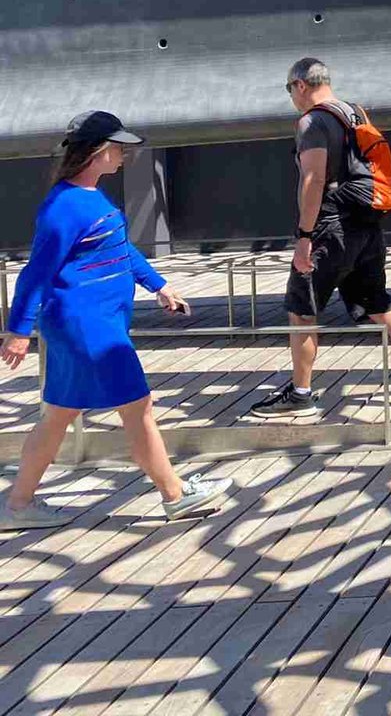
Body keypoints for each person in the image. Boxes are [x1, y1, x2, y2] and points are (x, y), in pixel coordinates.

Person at [0, 112, 235, 529]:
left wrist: (159, 286)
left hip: (90, 324)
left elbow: (120, 247)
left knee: (57, 416)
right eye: (119, 147)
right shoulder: (64, 207)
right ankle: (175, 496)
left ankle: (18, 506)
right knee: (138, 407)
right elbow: (35, 274)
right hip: (89, 329)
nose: (125, 155)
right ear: (99, 151)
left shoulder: (88, 197)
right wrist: (18, 331)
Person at [249, 57, 391, 418]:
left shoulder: (312, 121)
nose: (291, 97)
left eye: (289, 89)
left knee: (302, 309)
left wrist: (304, 237)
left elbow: (313, 180)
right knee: (378, 303)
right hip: (366, 227)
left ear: (300, 85)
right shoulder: (354, 113)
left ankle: (300, 395)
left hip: (331, 228)